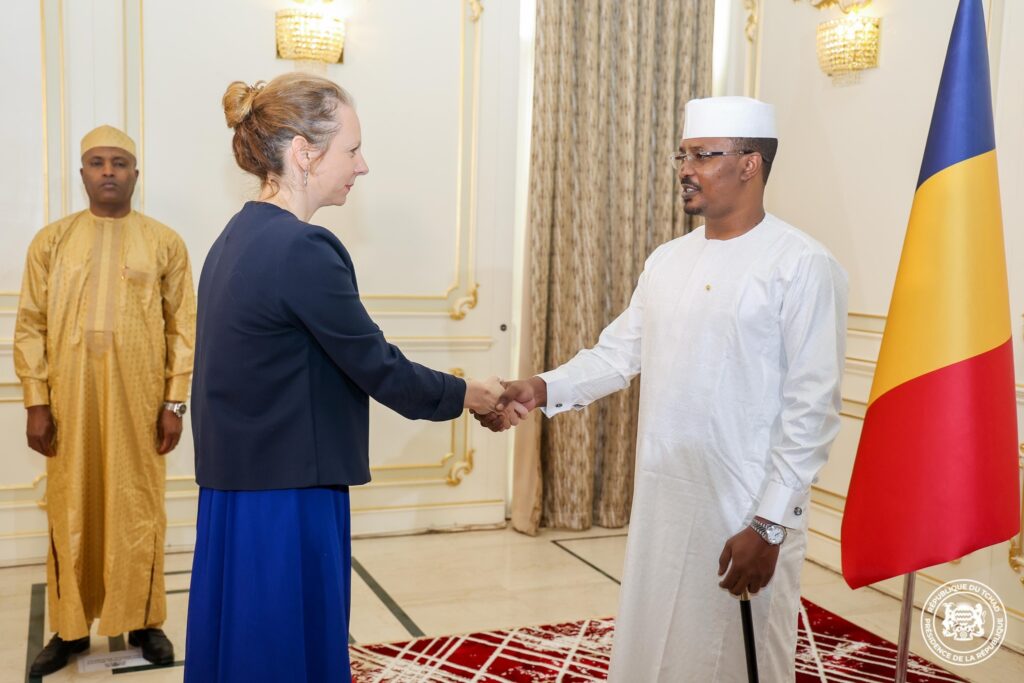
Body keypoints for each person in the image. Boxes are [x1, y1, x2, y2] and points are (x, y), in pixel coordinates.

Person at [481, 96, 848, 681]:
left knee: (740, 659)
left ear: (750, 164)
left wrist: (770, 524)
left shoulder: (802, 264)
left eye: (702, 156)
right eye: (683, 156)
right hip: (665, 499)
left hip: (745, 507)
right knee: (654, 646)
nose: (685, 170)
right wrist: (539, 388)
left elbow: (813, 409)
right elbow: (617, 354)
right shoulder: (668, 260)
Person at [183, 73, 506, 682]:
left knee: (243, 645)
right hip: (287, 494)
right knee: (283, 652)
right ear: (304, 152)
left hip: (236, 487)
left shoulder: (234, 237)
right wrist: (470, 394)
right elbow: (378, 366)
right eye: (352, 149)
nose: (363, 166)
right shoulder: (302, 248)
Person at [15, 125, 194, 675]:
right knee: (70, 506)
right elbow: (30, 324)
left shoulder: (164, 242)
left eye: (119, 162)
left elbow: (183, 328)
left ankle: (144, 621)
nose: (109, 171)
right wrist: (36, 402)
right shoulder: (52, 242)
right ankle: (69, 628)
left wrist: (174, 403)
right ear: (83, 173)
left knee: (138, 507)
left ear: (136, 173)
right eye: (97, 162)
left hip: (140, 403)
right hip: (68, 404)